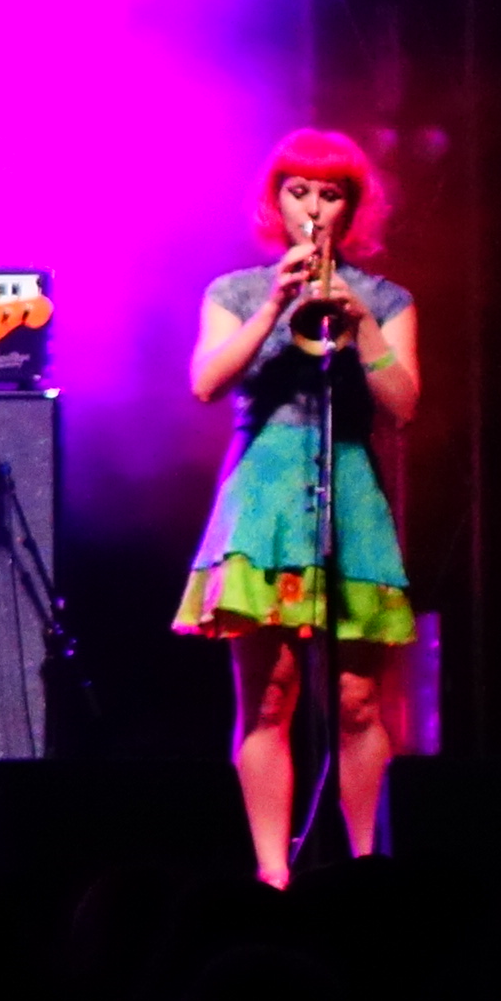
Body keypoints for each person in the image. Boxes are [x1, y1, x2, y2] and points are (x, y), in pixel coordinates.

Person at [176, 133, 422, 885]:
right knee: (270, 697)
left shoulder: (386, 298)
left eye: (331, 194)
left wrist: (363, 324)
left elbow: (404, 404)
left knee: (357, 702)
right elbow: (205, 383)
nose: (314, 207)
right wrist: (276, 305)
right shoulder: (235, 291)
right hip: (264, 499)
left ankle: (368, 874)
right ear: (275, 202)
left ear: (352, 207)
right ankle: (271, 877)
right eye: (300, 191)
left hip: (348, 490)